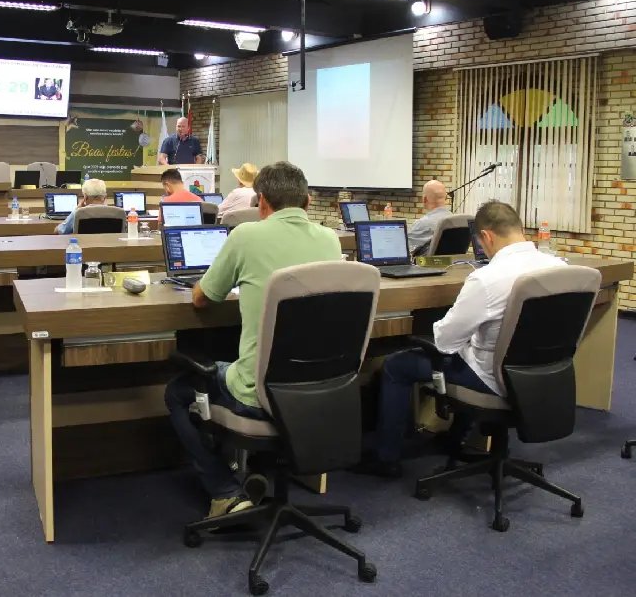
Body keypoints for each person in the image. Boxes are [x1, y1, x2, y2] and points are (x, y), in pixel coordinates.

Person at [164, 161, 343, 518]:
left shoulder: (245, 236)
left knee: (177, 391)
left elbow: (202, 298)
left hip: (256, 394)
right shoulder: (330, 240)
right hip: (317, 387)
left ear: (261, 202)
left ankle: (224, 490)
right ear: (307, 201)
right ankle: (256, 469)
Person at [359, 201, 567, 477]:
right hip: (545, 373)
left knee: (398, 366)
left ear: (487, 237)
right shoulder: (559, 268)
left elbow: (445, 342)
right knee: (470, 349)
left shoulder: (486, 279)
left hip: (492, 378)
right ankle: (453, 439)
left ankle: (386, 458)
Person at [407, 179, 452, 253]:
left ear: (424, 199)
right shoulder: (455, 220)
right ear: (446, 198)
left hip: (426, 261)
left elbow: (404, 249)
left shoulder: (422, 224)